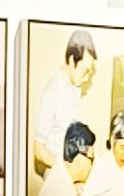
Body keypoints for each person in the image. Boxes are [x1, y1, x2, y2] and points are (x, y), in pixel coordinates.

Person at [34, 31, 102, 178]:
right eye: (85, 71)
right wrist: (65, 170)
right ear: (72, 61)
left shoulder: (75, 85)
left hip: (73, 166)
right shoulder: (52, 93)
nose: (87, 78)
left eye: (90, 72)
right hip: (56, 170)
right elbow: (38, 150)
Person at [29, 122, 101, 196]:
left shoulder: (60, 175)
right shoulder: (62, 189)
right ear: (80, 158)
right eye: (91, 159)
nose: (91, 166)